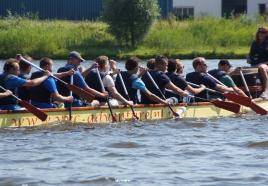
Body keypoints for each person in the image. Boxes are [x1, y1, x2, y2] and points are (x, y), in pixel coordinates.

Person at [248, 27, 268, 99]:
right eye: (260, 32)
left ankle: (266, 91)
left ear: (266, 34)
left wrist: (262, 64)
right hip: (254, 64)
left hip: (265, 64)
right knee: (237, 70)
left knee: (262, 67)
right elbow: (250, 55)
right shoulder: (254, 43)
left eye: (263, 32)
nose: (261, 34)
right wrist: (249, 59)